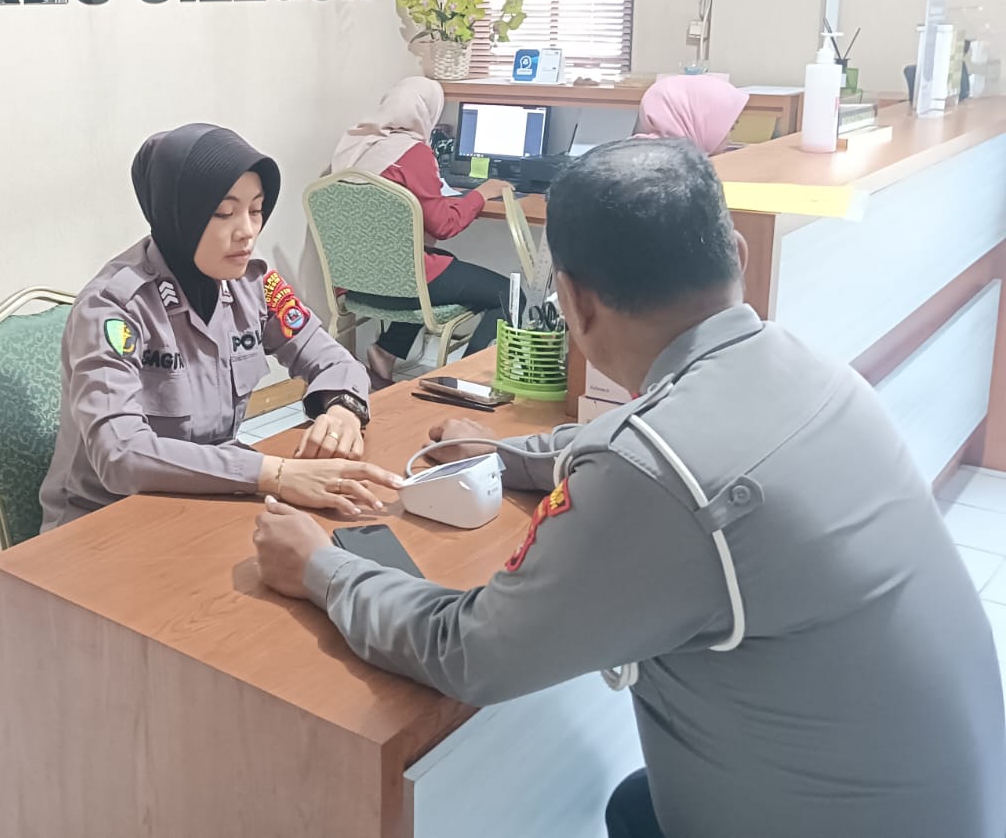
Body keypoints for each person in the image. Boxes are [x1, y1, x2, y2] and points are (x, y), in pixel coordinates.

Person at [252, 138, 1005, 838]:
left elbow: (470, 651)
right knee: (634, 805)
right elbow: (641, 443)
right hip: (940, 804)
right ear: (736, 254)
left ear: (574, 302)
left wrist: (320, 568)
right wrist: (501, 455)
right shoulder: (805, 367)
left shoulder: (655, 472)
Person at [39, 124, 403, 532]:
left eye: (256, 210)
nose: (247, 231)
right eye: (223, 213)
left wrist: (344, 408)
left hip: (211, 498)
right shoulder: (114, 308)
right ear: (178, 215)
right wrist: (274, 474)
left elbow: (332, 359)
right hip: (105, 520)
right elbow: (119, 455)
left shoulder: (251, 283)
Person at [330, 77, 511, 388]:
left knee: (441, 261)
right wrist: (481, 194)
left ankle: (385, 351)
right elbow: (444, 225)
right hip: (405, 284)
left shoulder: (354, 146)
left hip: (353, 282)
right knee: (506, 294)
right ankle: (466, 383)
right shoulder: (413, 152)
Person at [634, 74, 749, 155]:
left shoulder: (639, 152)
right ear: (700, 123)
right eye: (731, 128)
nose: (730, 139)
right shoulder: (677, 172)